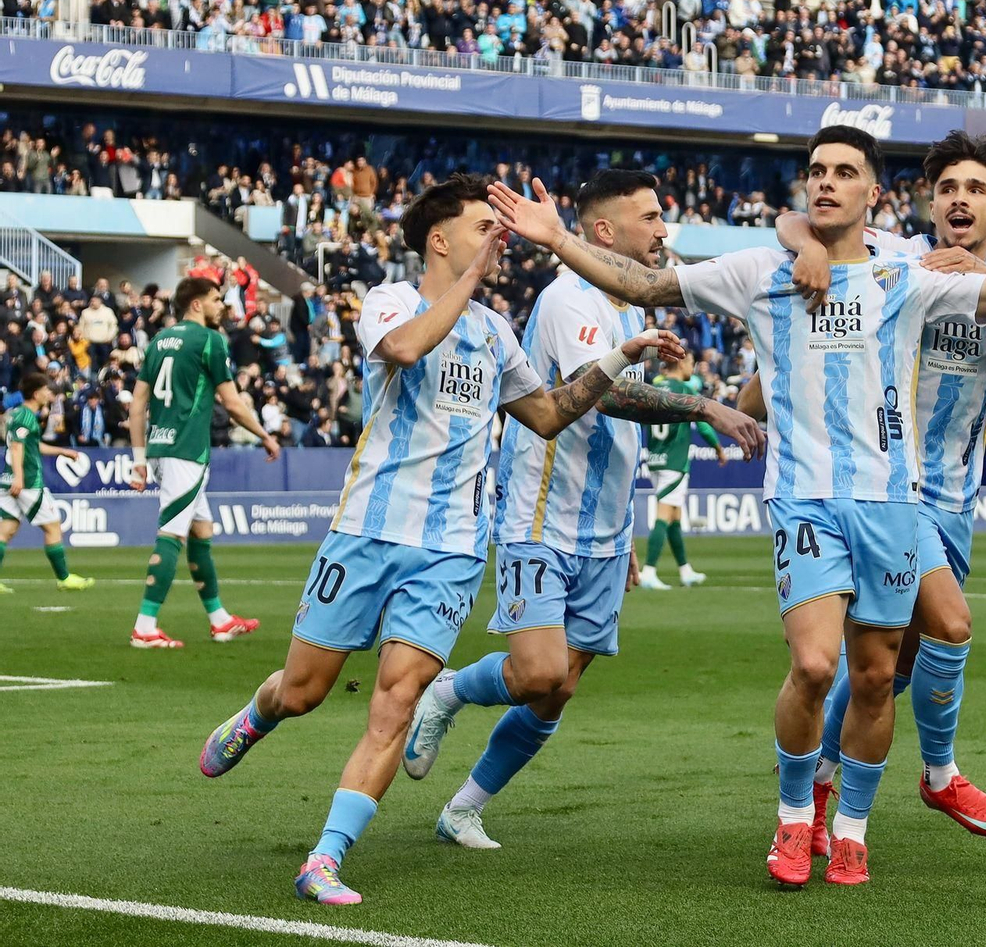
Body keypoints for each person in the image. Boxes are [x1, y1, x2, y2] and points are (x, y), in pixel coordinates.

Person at [485, 127, 986, 886]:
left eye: (845, 172)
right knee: (817, 662)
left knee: (878, 673)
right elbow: (647, 286)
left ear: (873, 194)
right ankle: (804, 816)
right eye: (817, 171)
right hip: (807, 499)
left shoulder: (906, 276)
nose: (826, 182)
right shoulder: (770, 267)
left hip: (901, 500)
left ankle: (849, 827)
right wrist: (560, 238)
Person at [194, 173, 680, 907]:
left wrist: (619, 356)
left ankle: (324, 858)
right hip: (367, 532)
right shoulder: (393, 300)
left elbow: (547, 414)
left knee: (396, 700)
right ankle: (258, 715)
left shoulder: (495, 331)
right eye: (486, 225)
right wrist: (475, 280)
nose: (500, 235)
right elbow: (406, 348)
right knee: (304, 692)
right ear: (439, 239)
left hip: (453, 547)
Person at [400, 170, 764, 849]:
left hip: (603, 527)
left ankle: (463, 809)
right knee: (536, 671)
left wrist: (623, 529)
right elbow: (606, 397)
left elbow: (616, 431)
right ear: (604, 231)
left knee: (558, 689)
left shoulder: (630, 308)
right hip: (541, 516)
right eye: (651, 218)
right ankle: (447, 692)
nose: (663, 230)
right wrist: (704, 406)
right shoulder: (570, 297)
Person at [758, 131, 986, 848]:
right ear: (930, 201)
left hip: (956, 496)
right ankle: (940, 774)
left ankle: (823, 777)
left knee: (891, 667)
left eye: (977, 189)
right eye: (948, 188)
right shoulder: (894, 258)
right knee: (952, 626)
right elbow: (796, 218)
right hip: (891, 485)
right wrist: (806, 244)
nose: (959, 199)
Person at [126, 277, 280, 649]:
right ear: (196, 304)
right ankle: (144, 626)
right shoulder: (210, 340)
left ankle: (220, 620)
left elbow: (136, 405)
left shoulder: (159, 341)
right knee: (172, 533)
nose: (221, 306)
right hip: (186, 449)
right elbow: (232, 403)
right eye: (215, 300)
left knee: (201, 531)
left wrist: (139, 459)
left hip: (162, 446)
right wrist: (264, 434)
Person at [638, 350, 727, 590]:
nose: (692, 368)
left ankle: (685, 570)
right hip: (674, 461)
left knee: (675, 517)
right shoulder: (685, 390)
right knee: (665, 515)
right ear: (680, 363)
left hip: (656, 457)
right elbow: (703, 425)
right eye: (690, 362)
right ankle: (648, 571)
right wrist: (718, 448)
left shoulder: (655, 387)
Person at [0, 373, 95, 595]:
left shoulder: (19, 415)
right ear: (36, 393)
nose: (49, 393)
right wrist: (20, 477)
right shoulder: (26, 416)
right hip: (28, 482)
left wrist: (63, 451)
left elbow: (33, 446)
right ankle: (64, 578)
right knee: (52, 526)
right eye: (46, 389)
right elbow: (16, 448)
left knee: (7, 529)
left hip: (8, 481)